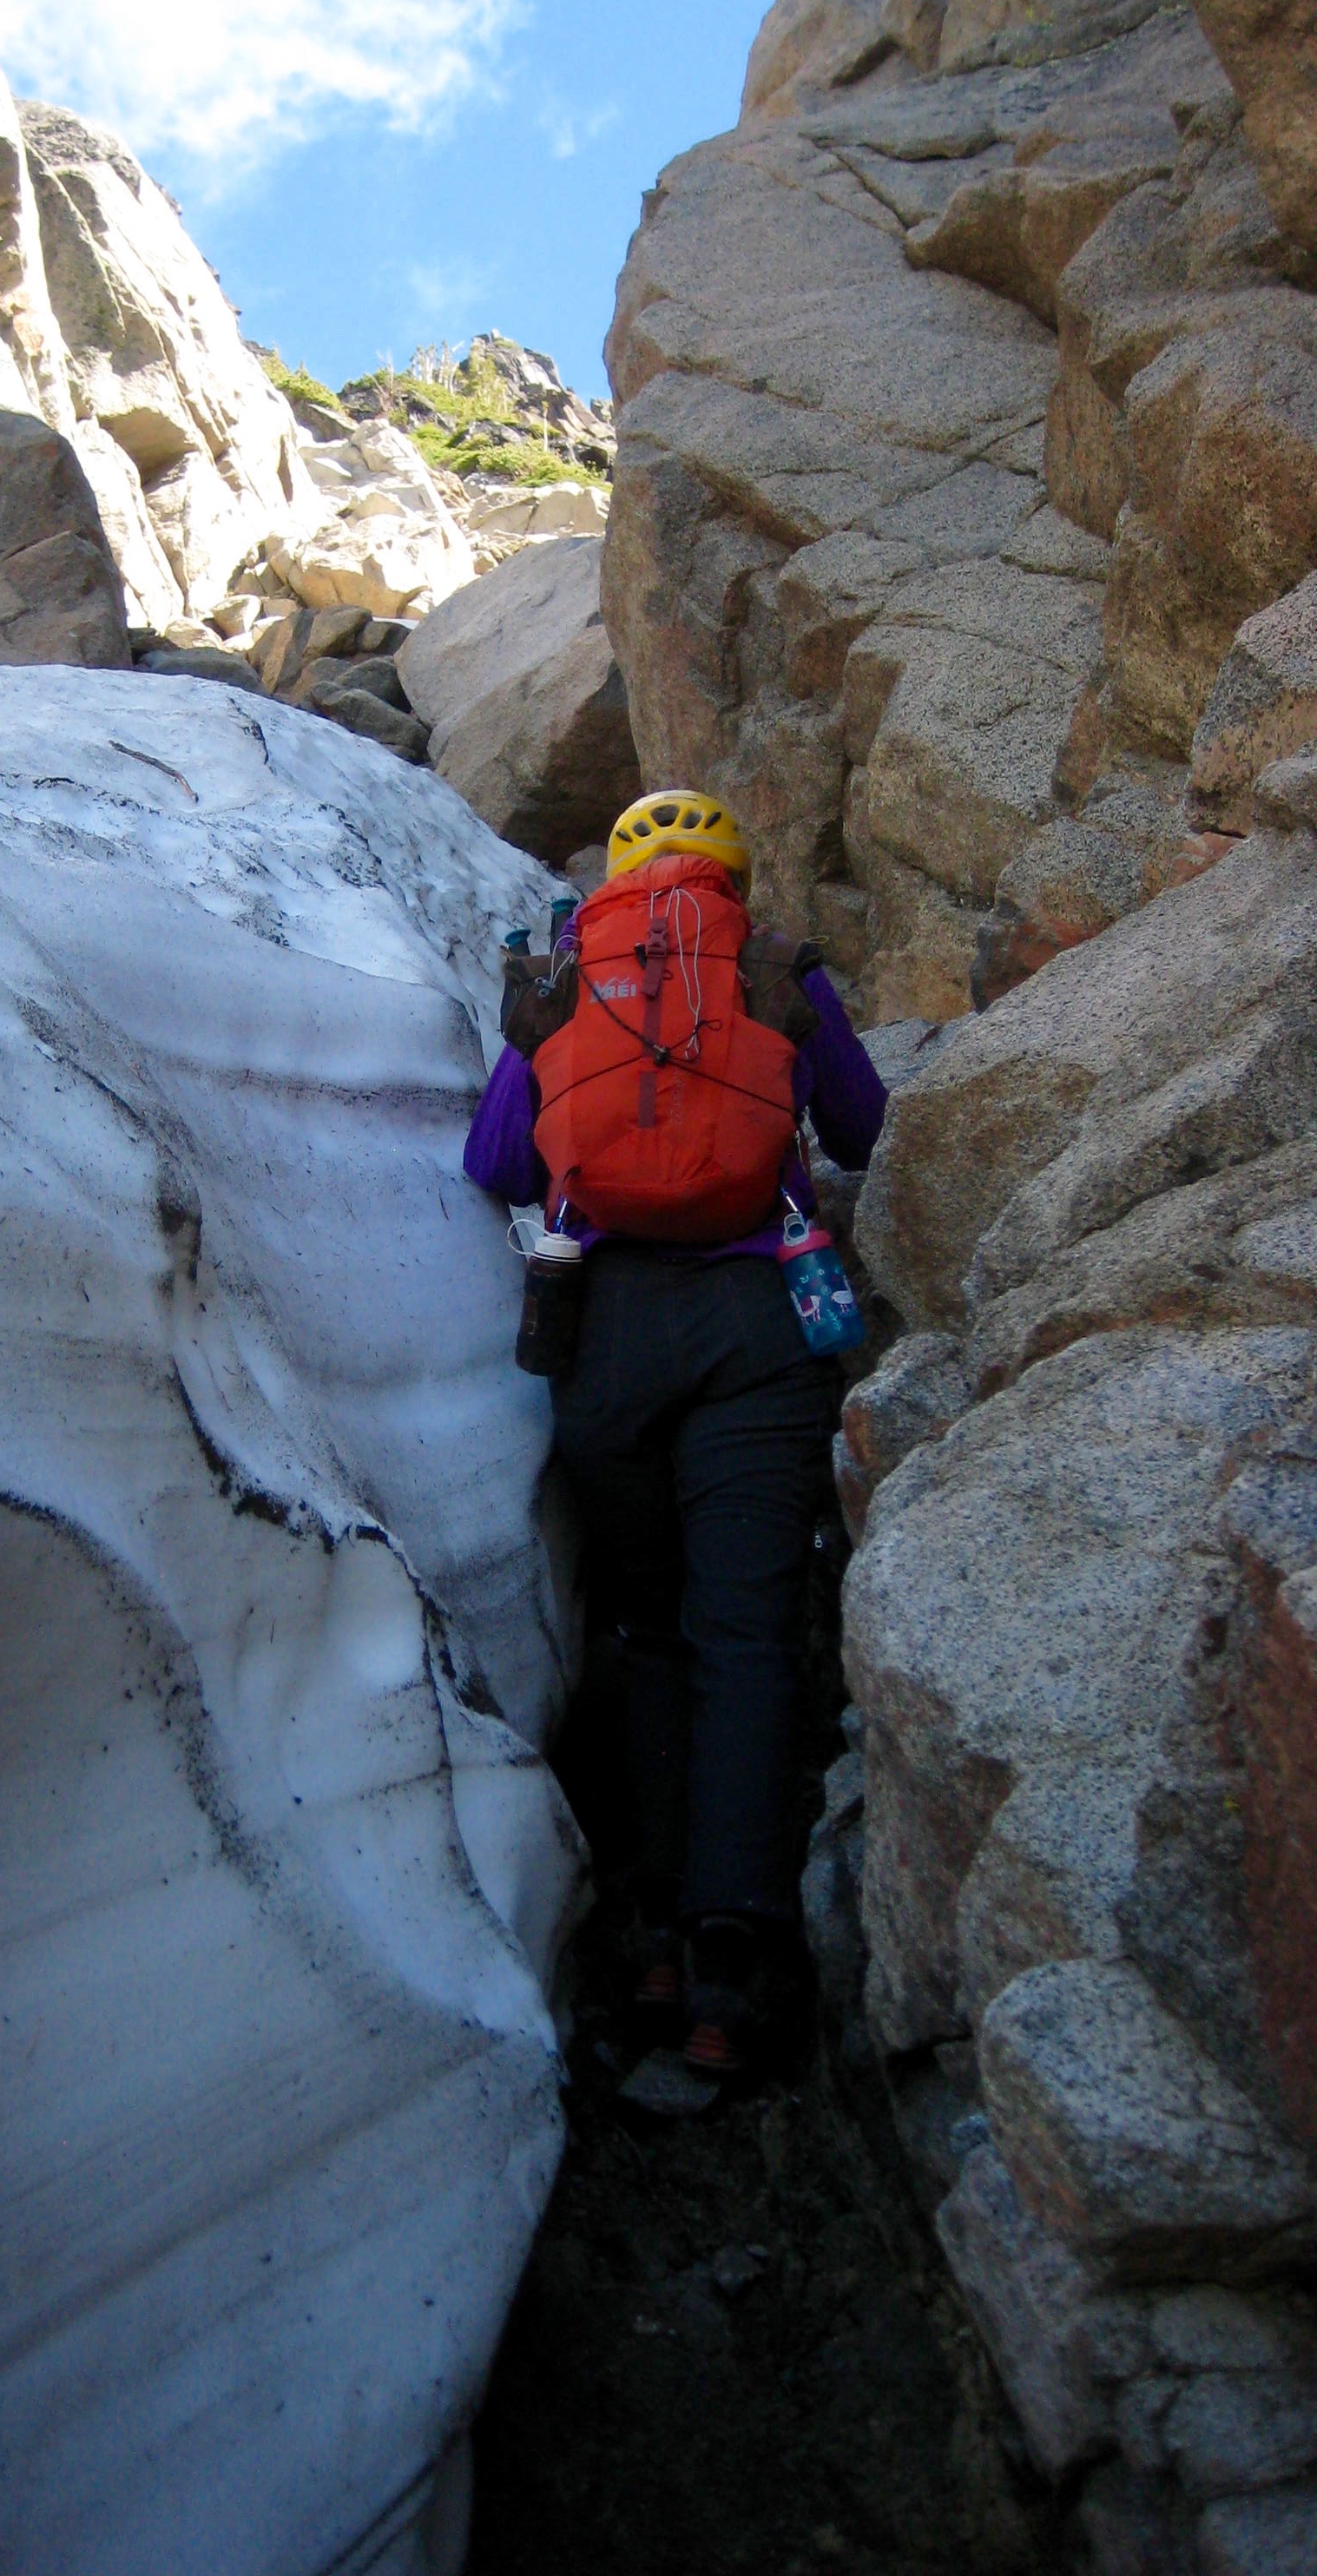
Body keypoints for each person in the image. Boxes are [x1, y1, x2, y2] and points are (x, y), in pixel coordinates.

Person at [465, 793, 887, 2076]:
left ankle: (643, 1937)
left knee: (646, 1630)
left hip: (602, 1340)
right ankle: (732, 1963)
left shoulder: (567, 982)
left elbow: (496, 1162)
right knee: (745, 1636)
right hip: (756, 1330)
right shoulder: (771, 971)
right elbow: (864, 1129)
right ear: (733, 882)